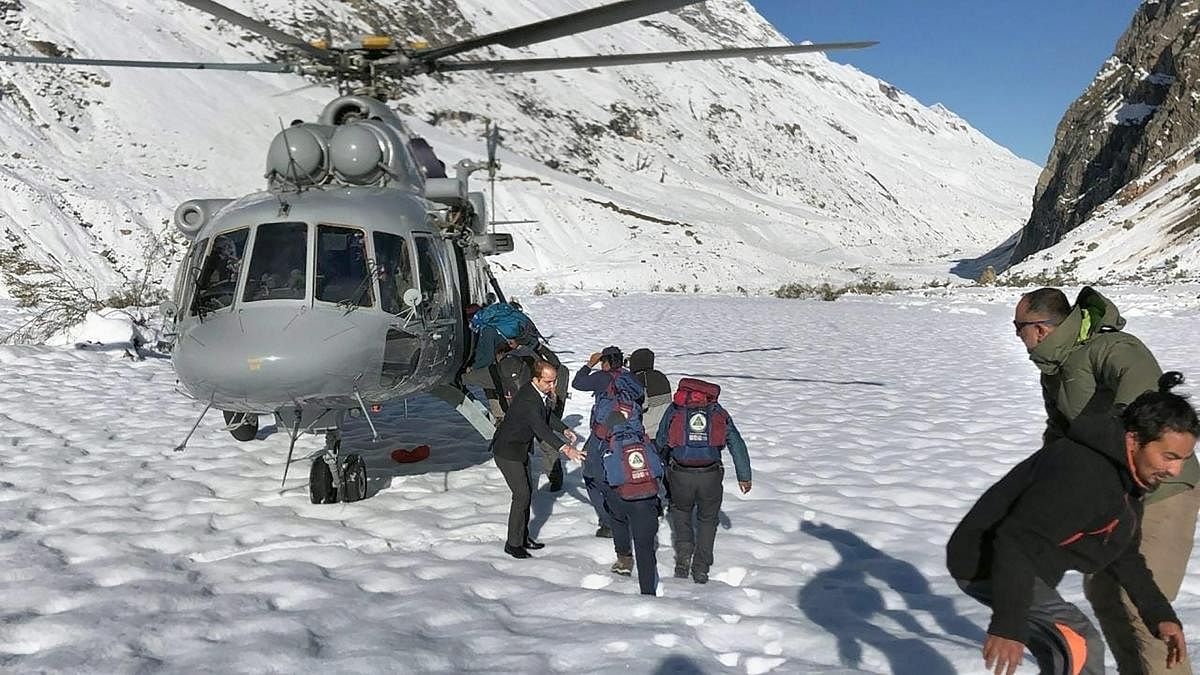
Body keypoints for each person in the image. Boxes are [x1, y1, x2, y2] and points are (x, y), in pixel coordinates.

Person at [948, 373, 1195, 675]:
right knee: (1080, 643)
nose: (1175, 469)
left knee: (1064, 652)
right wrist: (1008, 625)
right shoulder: (1084, 474)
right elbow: (1015, 540)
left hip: (1025, 562)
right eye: (1169, 456)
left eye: (1184, 458)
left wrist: (1160, 615)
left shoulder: (1127, 478)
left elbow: (1124, 554)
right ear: (1134, 440)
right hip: (988, 560)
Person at [1015, 286, 1200, 674]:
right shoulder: (1056, 370)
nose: (1018, 336)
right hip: (1115, 498)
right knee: (1102, 589)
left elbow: (1142, 402)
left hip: (1162, 492)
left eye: (1020, 327)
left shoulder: (1113, 349)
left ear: (1042, 329)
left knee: (1142, 607)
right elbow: (1060, 433)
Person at [654, 378, 751, 584]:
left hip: (680, 473)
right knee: (708, 520)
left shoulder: (676, 408)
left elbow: (662, 438)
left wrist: (663, 462)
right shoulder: (716, 411)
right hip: (710, 474)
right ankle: (701, 568)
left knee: (681, 513)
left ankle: (683, 558)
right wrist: (744, 476)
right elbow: (735, 441)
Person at [491, 360, 582, 559]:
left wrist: (563, 428)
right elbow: (539, 427)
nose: (552, 386)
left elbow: (546, 416)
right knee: (522, 495)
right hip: (507, 452)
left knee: (527, 493)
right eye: (548, 382)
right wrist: (565, 448)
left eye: (554, 381)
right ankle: (513, 544)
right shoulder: (528, 400)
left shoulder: (537, 394)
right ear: (536, 379)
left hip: (521, 450)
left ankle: (522, 538)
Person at [572, 346, 645, 538]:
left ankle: (609, 522)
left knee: (591, 474)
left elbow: (577, 383)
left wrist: (589, 364)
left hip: (605, 431)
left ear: (605, 361)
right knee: (625, 471)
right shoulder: (629, 377)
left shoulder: (602, 377)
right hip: (630, 431)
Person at [602, 426, 664, 595]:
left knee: (618, 520)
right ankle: (648, 591)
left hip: (621, 498)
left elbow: (607, 477)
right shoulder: (645, 443)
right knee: (645, 548)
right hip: (646, 500)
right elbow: (658, 470)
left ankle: (623, 558)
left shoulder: (609, 445)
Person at [628, 348, 672, 435]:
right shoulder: (661, 377)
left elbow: (641, 406)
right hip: (664, 429)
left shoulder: (638, 380)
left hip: (646, 431)